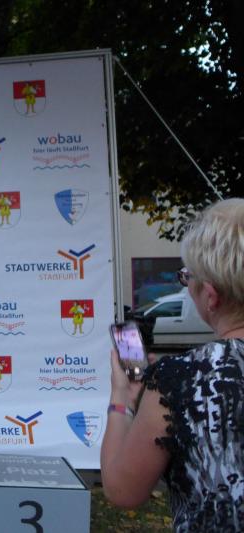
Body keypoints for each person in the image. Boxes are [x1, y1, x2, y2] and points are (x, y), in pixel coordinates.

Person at [101, 198, 244, 532]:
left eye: (186, 276)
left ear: (210, 296)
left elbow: (122, 489)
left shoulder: (182, 379)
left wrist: (122, 398)